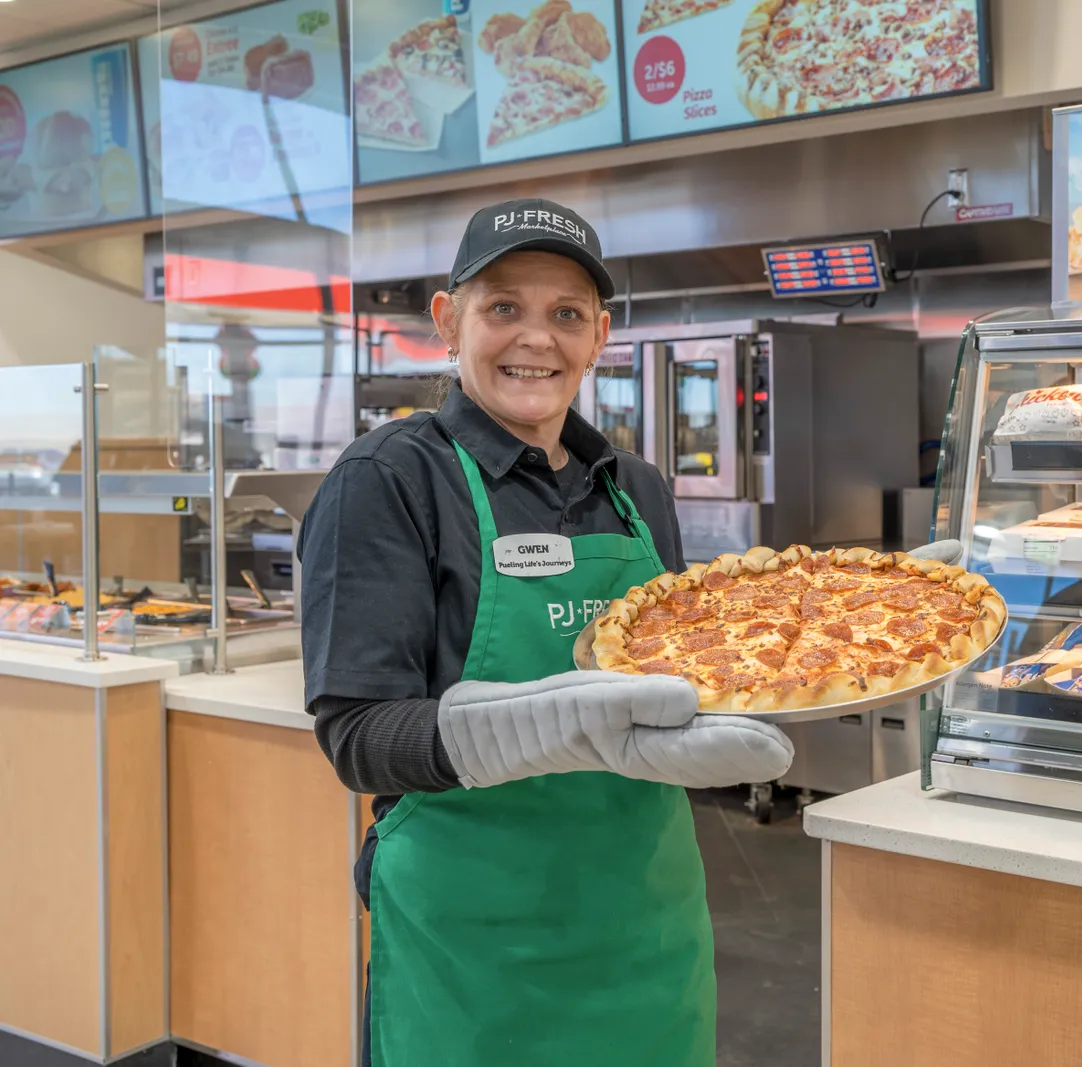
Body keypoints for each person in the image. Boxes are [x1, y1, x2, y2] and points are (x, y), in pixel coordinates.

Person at [297, 198, 795, 1067]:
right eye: (503, 308)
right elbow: (359, 736)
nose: (537, 339)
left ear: (599, 335)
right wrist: (540, 729)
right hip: (476, 945)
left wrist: (801, 629)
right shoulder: (389, 479)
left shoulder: (636, 487)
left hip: (646, 920)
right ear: (448, 322)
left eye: (565, 313)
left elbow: (679, 677)